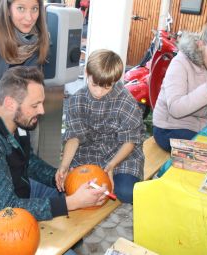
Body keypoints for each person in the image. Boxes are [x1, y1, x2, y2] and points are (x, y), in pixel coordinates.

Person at [0, 66, 107, 250]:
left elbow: (27, 161)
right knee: (64, 228)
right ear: (10, 103)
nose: (42, 110)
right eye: (35, 105)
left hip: (17, 193)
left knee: (71, 199)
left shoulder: (15, 120)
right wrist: (72, 202)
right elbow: (7, 208)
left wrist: (59, 177)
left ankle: (70, 239)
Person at [55, 49, 145, 204]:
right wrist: (64, 165)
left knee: (126, 192)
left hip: (121, 155)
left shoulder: (126, 102)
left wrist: (111, 166)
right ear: (87, 73)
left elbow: (129, 142)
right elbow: (74, 137)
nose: (98, 92)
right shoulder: (77, 100)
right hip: (88, 153)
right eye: (94, 84)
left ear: (115, 81)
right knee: (72, 191)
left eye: (106, 87)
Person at [153, 21, 207, 152]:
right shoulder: (180, 63)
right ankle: (167, 173)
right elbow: (175, 108)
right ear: (201, 45)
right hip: (169, 129)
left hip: (200, 126)